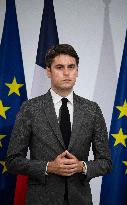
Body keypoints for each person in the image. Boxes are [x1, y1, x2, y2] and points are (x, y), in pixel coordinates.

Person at [6, 44, 112, 205]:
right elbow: (13, 161)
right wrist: (49, 167)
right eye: (59, 67)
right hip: (41, 200)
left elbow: (106, 162)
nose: (66, 73)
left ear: (77, 70)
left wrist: (81, 167)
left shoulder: (92, 110)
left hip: (80, 200)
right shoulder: (30, 108)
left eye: (71, 67)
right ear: (48, 71)